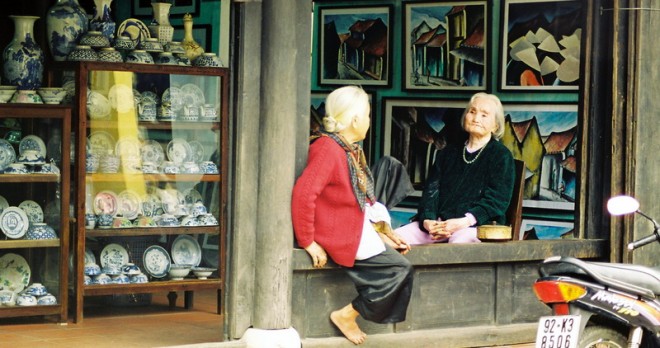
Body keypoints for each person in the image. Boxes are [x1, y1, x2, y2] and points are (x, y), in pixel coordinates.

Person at [291, 86, 414, 345]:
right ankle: (347, 315)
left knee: (399, 268)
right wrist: (308, 241)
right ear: (356, 120)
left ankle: (348, 314)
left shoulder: (348, 149)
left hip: (353, 228)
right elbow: (304, 194)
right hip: (340, 233)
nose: (369, 120)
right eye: (368, 115)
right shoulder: (328, 149)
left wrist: (384, 235)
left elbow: (363, 202)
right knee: (397, 270)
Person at [396, 92, 515, 244]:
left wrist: (463, 222)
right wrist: (428, 221)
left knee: (457, 246)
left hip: (475, 226)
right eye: (472, 112)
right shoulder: (448, 152)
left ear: (496, 125)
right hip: (440, 225)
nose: (476, 118)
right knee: (394, 239)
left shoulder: (501, 156)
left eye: (484, 115)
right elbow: (431, 191)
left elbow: (496, 201)